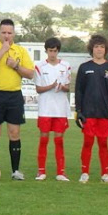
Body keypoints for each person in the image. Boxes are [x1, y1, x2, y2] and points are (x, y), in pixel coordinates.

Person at [0, 19, 35, 180]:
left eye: (9, 33)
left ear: (14, 34)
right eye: (3, 32)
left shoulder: (20, 50)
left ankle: (15, 171)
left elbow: (31, 74)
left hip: (14, 95)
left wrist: (16, 66)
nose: (6, 35)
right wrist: (2, 51)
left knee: (14, 132)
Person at [74, 34, 108, 184]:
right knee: (87, 142)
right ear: (91, 49)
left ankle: (105, 174)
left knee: (103, 143)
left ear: (106, 49)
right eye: (96, 46)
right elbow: (79, 90)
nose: (99, 49)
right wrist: (78, 111)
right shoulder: (84, 67)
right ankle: (85, 173)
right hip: (88, 113)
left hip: (104, 113)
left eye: (101, 46)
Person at [33, 37, 71, 181]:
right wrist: (51, 86)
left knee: (59, 140)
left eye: (55, 51)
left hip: (60, 110)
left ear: (58, 51)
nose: (52, 54)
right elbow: (38, 89)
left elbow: (68, 87)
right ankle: (41, 171)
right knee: (43, 139)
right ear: (46, 51)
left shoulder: (65, 66)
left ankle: (61, 172)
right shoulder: (40, 66)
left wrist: (62, 87)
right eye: (50, 51)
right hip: (45, 109)